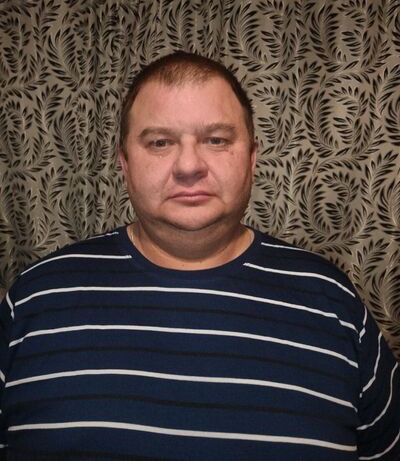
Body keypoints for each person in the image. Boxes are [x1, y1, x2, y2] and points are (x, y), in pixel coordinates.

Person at [0, 52, 399, 460]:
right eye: (160, 142)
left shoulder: (332, 300)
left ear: (252, 157)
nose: (189, 166)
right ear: (124, 163)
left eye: (216, 140)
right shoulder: (35, 299)